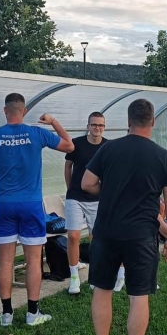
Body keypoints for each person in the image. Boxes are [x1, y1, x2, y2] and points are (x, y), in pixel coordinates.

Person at [83, 99, 167, 335]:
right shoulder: (163, 156)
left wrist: (109, 191)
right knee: (138, 295)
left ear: (128, 122)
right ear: (153, 122)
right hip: (141, 236)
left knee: (102, 290)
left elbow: (86, 183)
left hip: (106, 232)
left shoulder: (108, 149)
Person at [0, 93, 74, 327]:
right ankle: (32, 313)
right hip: (31, 205)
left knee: (5, 261)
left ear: (5, 111)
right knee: (33, 261)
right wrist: (53, 121)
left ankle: (6, 314)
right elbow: (69, 146)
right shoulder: (37, 133)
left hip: (4, 206)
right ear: (24, 111)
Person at [64, 112, 110, 295]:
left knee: (95, 237)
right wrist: (70, 187)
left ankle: (94, 275)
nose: (97, 128)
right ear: (88, 126)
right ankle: (74, 276)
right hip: (75, 197)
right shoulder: (76, 144)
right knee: (73, 235)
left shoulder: (107, 146)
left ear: (104, 127)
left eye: (101, 125)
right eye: (94, 124)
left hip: (97, 199)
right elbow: (68, 166)